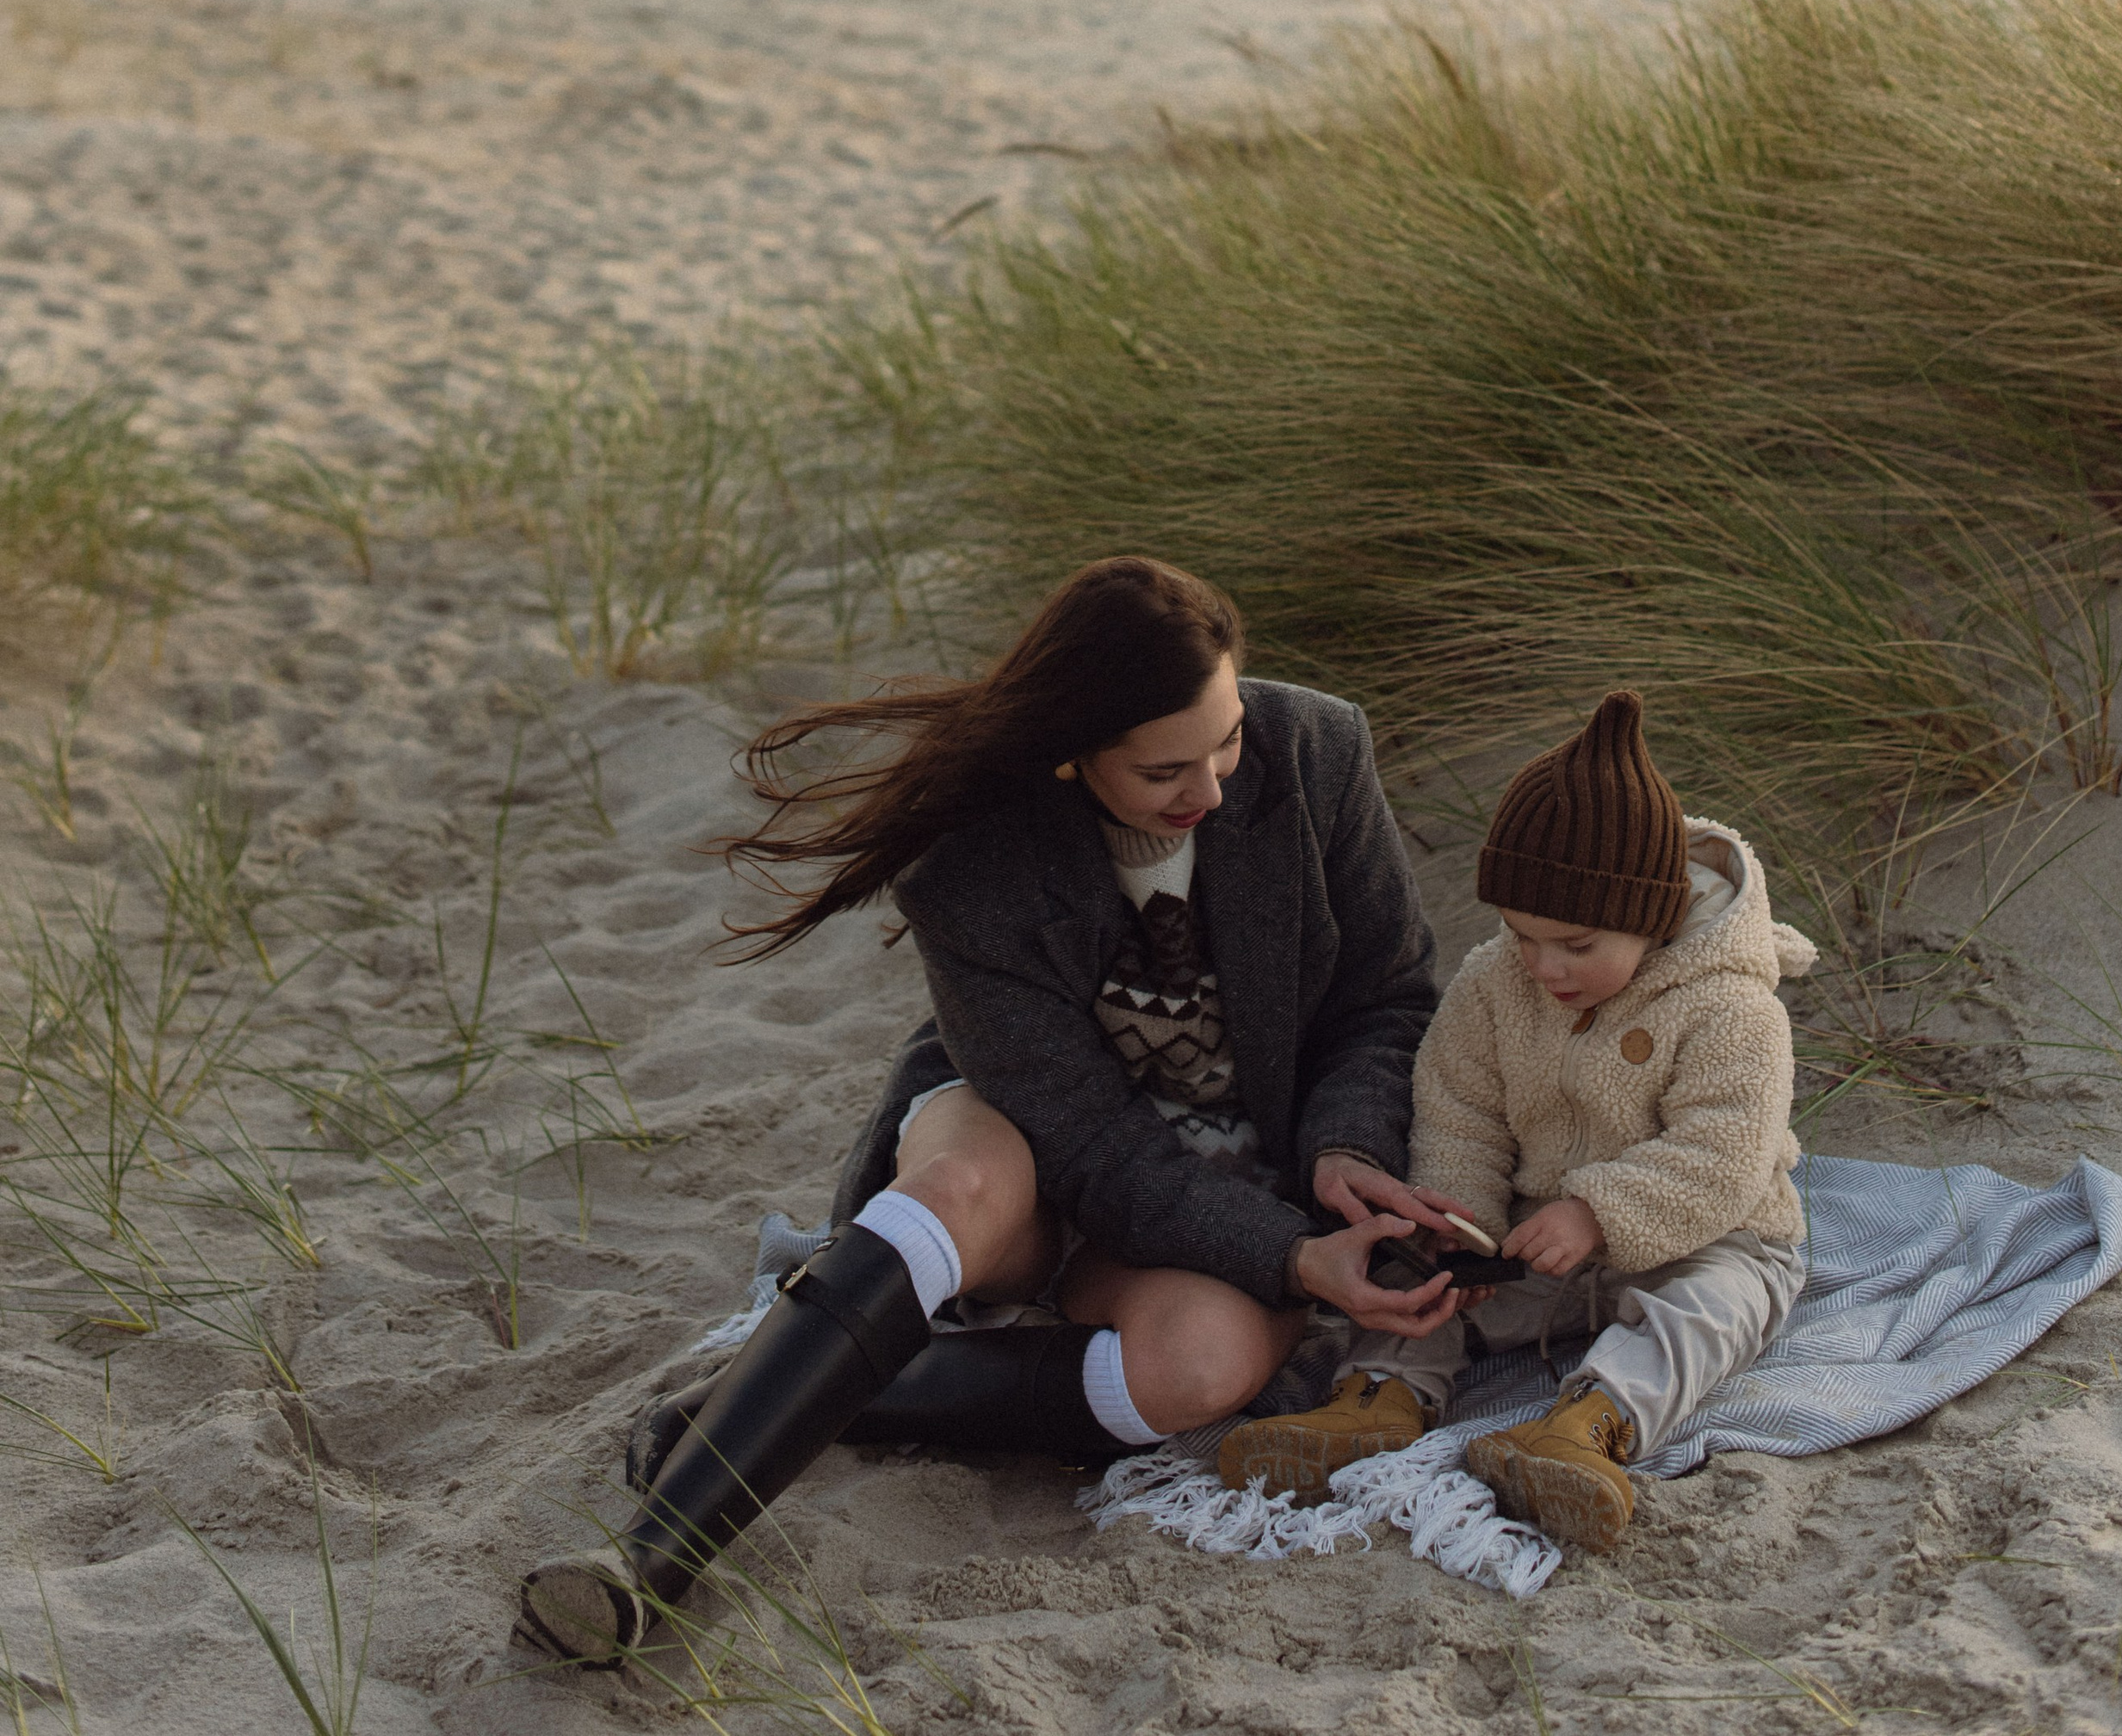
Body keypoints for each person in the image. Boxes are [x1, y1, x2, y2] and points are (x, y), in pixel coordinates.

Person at [517, 553, 1454, 1667]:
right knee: (959, 1181)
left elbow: (1385, 996)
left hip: (1239, 1159)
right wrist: (1297, 1260)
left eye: (1227, 738)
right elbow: (1091, 1145)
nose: (1209, 783)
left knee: (1206, 1364)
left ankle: (832, 1395)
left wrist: (1342, 1149)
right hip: (1033, 1146)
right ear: (1074, 748)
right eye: (1165, 767)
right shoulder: (970, 861)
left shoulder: (1318, 749)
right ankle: (648, 1561)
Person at [1218, 688, 1817, 1551]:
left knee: (1708, 1312)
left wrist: (1600, 1211)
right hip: (1535, 1239)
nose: (1545, 966)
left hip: (1710, 1233)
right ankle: (1378, 1397)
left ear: (1647, 918)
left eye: (1576, 945)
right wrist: (1466, 1222)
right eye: (1522, 934)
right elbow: (1459, 1111)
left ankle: (1588, 1427)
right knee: (1417, 1278)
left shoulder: (1734, 1010)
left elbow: (1722, 1153)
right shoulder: (1493, 981)